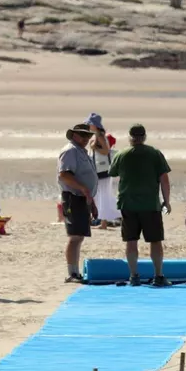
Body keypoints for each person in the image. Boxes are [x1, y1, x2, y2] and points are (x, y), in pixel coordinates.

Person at [108, 124, 172, 287]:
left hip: (128, 203)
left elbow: (113, 173)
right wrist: (167, 201)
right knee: (155, 241)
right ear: (144, 137)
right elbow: (164, 180)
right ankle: (158, 275)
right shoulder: (155, 154)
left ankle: (134, 275)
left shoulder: (122, 155)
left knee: (131, 241)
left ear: (130, 137)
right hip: (150, 204)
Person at [59, 123, 98, 283]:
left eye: (88, 136)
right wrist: (84, 189)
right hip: (73, 197)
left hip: (82, 197)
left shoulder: (82, 151)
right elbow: (64, 175)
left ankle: (75, 271)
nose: (86, 139)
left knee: (79, 236)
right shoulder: (70, 151)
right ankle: (72, 273)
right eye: (82, 135)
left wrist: (91, 201)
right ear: (74, 135)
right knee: (75, 236)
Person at [88, 114, 120, 231]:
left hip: (103, 170)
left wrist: (94, 147)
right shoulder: (97, 135)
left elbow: (106, 150)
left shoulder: (100, 136)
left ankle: (104, 223)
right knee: (102, 195)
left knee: (103, 196)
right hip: (99, 169)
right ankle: (104, 221)